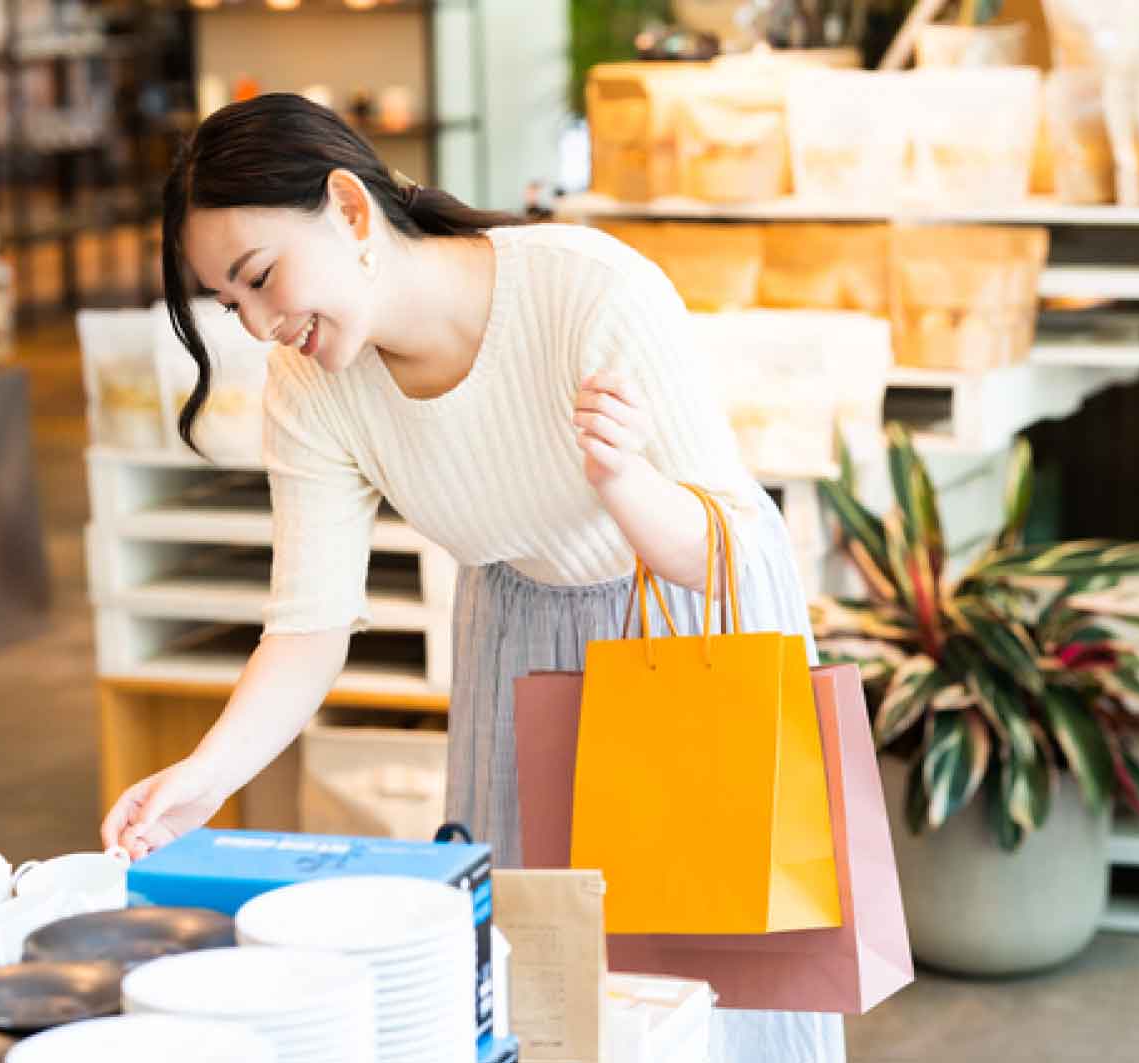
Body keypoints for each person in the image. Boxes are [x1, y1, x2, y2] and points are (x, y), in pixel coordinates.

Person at [98, 93, 844, 1062]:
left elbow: (734, 555)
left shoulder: (589, 290)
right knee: (541, 995)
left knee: (705, 1001)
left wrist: (625, 484)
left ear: (351, 210)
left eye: (262, 279)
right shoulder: (312, 383)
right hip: (514, 649)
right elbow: (307, 627)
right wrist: (204, 778)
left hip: (686, 637)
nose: (261, 326)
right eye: (233, 305)